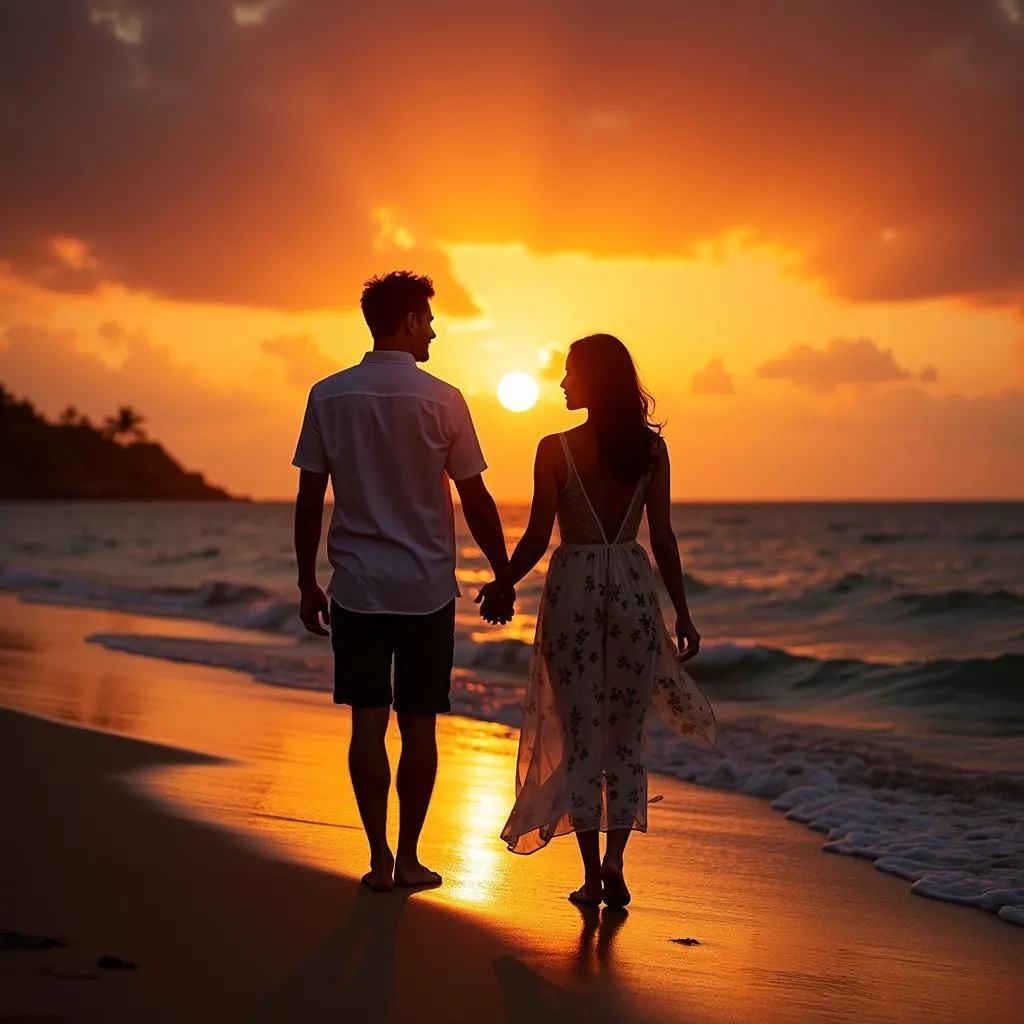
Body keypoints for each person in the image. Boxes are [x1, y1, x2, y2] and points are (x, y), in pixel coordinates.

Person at [477, 334, 716, 908]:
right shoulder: (652, 451)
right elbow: (662, 536)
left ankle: (590, 876)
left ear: (593, 380)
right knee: (625, 739)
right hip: (633, 589)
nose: (561, 383)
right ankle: (616, 863)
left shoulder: (554, 449)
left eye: (569, 373)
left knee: (581, 735)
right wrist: (682, 611)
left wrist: (504, 583)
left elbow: (537, 535)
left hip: (574, 594)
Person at [293, 271, 510, 893]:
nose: (435, 330)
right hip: (425, 591)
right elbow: (475, 496)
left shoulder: (328, 395)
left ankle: (379, 858)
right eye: (430, 320)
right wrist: (500, 572)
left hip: (356, 587)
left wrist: (307, 580)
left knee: (367, 722)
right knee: (419, 724)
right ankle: (411, 857)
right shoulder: (444, 399)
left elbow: (311, 498)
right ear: (410, 321)